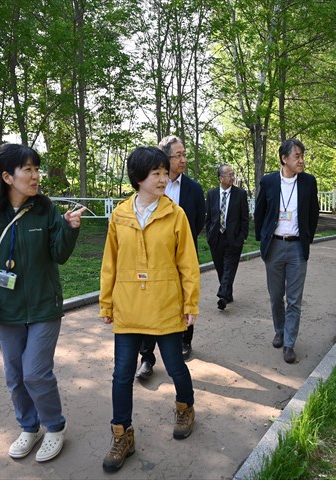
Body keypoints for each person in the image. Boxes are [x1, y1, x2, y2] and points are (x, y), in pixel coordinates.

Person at [0, 143, 86, 462]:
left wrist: (69, 229)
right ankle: (29, 427)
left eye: (37, 168)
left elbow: (59, 254)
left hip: (45, 306)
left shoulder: (45, 209)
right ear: (7, 177)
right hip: (9, 311)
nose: (35, 176)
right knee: (15, 377)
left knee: (35, 373)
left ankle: (54, 427)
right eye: (28, 169)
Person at [99, 146, 200, 473]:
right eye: (156, 173)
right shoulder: (120, 215)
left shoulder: (175, 214)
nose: (162, 178)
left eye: (164, 172)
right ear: (139, 178)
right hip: (128, 307)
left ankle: (185, 407)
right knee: (121, 374)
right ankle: (122, 434)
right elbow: (110, 264)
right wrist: (106, 302)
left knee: (175, 366)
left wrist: (190, 302)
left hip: (165, 306)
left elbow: (188, 264)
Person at [135, 135, 205, 379]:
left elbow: (198, 221)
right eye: (178, 155)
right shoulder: (150, 186)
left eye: (185, 155)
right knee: (149, 304)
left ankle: (185, 341)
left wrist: (180, 244)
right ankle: (147, 357)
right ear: (165, 158)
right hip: (151, 259)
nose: (183, 159)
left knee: (186, 296)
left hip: (182, 257)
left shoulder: (194, 189)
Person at [254, 138, 320, 364]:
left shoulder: (309, 182)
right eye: (297, 156)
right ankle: (279, 330)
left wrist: (307, 238)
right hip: (274, 246)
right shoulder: (269, 181)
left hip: (297, 248)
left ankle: (289, 343)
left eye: (302, 156)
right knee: (276, 297)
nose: (301, 160)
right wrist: (262, 241)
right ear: (284, 158)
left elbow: (313, 213)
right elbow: (260, 212)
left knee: (294, 299)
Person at [205, 164, 250, 310]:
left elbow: (245, 218)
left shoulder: (240, 194)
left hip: (233, 239)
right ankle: (227, 294)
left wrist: (241, 237)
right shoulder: (211, 194)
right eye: (229, 175)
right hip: (216, 238)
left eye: (232, 174)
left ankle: (223, 296)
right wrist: (209, 235)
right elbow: (209, 218)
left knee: (229, 268)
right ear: (220, 178)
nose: (232, 177)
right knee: (221, 269)